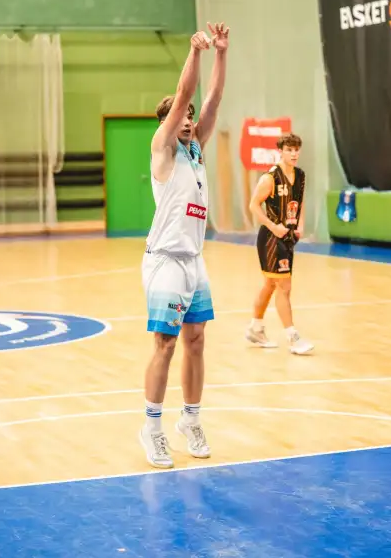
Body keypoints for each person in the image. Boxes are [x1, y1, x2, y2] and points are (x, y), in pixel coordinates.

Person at [140, 23, 229, 468]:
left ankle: (190, 419)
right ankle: (152, 428)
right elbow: (185, 92)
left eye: (190, 116)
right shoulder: (163, 149)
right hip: (165, 261)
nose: (189, 119)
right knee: (166, 343)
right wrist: (195, 52)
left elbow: (211, 99)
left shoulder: (196, 151)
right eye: (181, 116)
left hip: (194, 260)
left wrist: (222, 53)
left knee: (196, 339)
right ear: (168, 124)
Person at [245, 133, 314, 354]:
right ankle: (293, 337)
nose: (293, 154)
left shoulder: (300, 176)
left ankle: (255, 328)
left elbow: (300, 202)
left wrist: (300, 225)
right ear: (280, 151)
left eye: (296, 150)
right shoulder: (270, 178)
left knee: (270, 284)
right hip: (271, 238)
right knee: (284, 287)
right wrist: (273, 226)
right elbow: (253, 205)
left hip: (288, 236)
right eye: (289, 150)